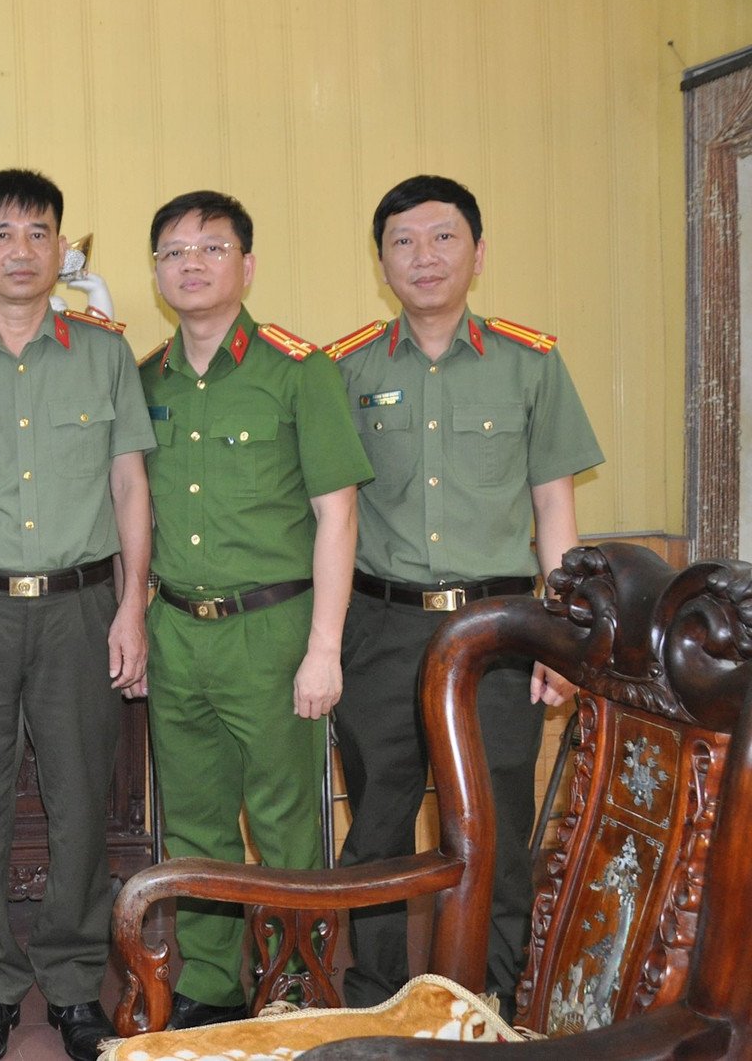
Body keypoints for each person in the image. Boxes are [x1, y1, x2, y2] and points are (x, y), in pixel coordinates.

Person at [325, 174, 601, 1008]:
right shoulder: (347, 370)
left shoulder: (530, 364)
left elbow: (556, 506)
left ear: (478, 253)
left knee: (494, 831)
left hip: (500, 632)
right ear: (382, 263)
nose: (424, 257)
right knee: (375, 826)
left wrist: (565, 637)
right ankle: (375, 994)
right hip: (381, 626)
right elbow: (333, 514)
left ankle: (490, 1000)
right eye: (404, 242)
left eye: (443, 237)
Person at [0, 169, 154, 1061]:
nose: (21, 250)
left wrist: (133, 605)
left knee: (83, 798)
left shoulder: (103, 352)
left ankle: (79, 981)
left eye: (38, 233)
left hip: (82, 606)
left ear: (60, 249)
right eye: (2, 234)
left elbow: (131, 485)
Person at [138, 189, 371, 1030]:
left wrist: (325, 647)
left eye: (211, 247)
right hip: (176, 630)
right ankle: (209, 985)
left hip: (275, 632)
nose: (191, 263)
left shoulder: (297, 368)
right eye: (173, 251)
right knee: (194, 822)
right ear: (156, 271)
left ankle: (294, 980)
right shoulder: (145, 376)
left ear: (247, 263)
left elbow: (337, 514)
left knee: (286, 821)